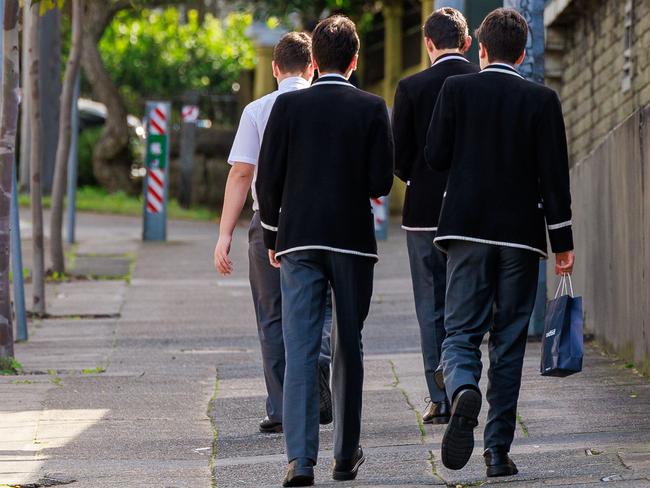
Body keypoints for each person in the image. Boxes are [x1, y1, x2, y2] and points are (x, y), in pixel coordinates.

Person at [424, 7, 575, 477]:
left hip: (466, 231)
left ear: (482, 50)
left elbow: (435, 155)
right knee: (509, 343)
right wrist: (562, 241)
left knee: (461, 331)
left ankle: (463, 385)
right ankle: (496, 452)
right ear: (525, 54)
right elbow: (555, 178)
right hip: (522, 237)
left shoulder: (456, 88)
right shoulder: (542, 99)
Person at [256, 16, 394, 487]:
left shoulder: (287, 108)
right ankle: (344, 454)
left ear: (312, 61)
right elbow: (380, 184)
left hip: (298, 239)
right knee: (347, 345)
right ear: (355, 61)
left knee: (299, 346)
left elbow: (266, 180)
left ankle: (300, 459)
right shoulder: (372, 107)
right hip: (352, 241)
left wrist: (273, 236)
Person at [213, 32, 333, 435]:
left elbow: (242, 172)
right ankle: (318, 366)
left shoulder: (258, 109)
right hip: (320, 223)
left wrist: (224, 234)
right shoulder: (329, 104)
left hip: (268, 223)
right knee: (320, 305)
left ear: (274, 68)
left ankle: (283, 406)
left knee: (272, 315)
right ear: (313, 65)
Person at [392, 7, 479, 426]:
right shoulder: (481, 82)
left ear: (428, 43)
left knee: (430, 305)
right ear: (466, 43)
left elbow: (400, 158)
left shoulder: (410, 87)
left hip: (423, 211)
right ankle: (467, 382)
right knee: (471, 303)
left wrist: (421, 178)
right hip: (472, 211)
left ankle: (439, 397)